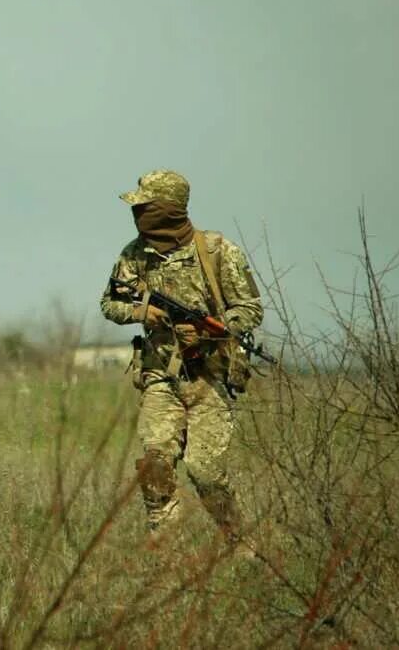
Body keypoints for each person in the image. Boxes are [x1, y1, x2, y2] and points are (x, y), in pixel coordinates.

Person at [99, 170, 263, 543]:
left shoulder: (218, 251)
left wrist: (211, 329)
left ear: (167, 209)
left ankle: (242, 543)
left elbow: (250, 308)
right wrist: (142, 313)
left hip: (210, 376)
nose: (138, 214)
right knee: (155, 465)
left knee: (205, 471)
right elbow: (110, 303)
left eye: (145, 206)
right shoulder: (134, 254)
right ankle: (165, 547)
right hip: (160, 374)